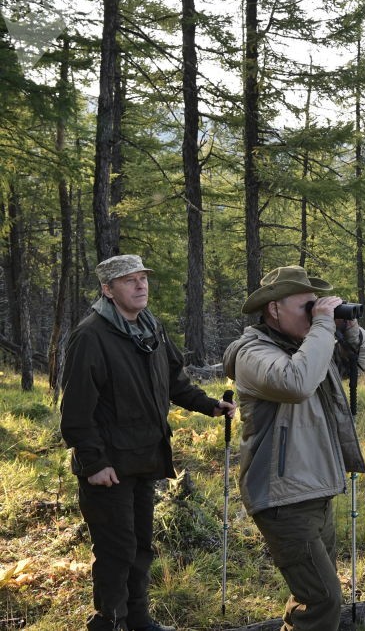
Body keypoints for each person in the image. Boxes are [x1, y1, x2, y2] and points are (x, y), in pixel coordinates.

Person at [59, 254, 236, 631]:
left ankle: (138, 619)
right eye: (129, 280)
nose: (141, 286)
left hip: (145, 458)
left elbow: (174, 381)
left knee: (141, 546)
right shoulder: (91, 335)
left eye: (143, 278)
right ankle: (110, 621)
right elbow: (75, 412)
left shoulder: (151, 327)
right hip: (109, 467)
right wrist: (94, 463)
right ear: (108, 289)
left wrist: (209, 405)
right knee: (116, 550)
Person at [223, 265, 365, 631]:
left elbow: (355, 366)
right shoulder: (252, 353)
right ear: (273, 309)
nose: (315, 313)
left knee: (310, 594)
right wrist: (321, 326)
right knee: (323, 598)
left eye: (317, 306)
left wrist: (348, 332)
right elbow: (296, 382)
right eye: (307, 307)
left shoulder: (305, 347)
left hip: (316, 487)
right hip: (282, 497)